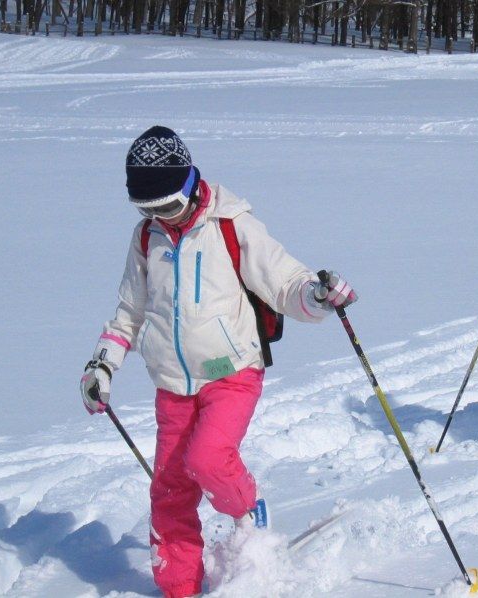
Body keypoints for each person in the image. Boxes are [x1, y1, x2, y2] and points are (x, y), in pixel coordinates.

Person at [80, 126, 356, 598]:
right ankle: (181, 588)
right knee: (168, 494)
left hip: (232, 372)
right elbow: (130, 310)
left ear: (190, 184)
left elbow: (285, 281)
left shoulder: (231, 223)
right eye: (148, 209)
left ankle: (249, 511)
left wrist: (318, 296)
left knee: (207, 457)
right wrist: (102, 364)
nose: (160, 217)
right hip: (172, 382)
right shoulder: (147, 239)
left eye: (167, 206)